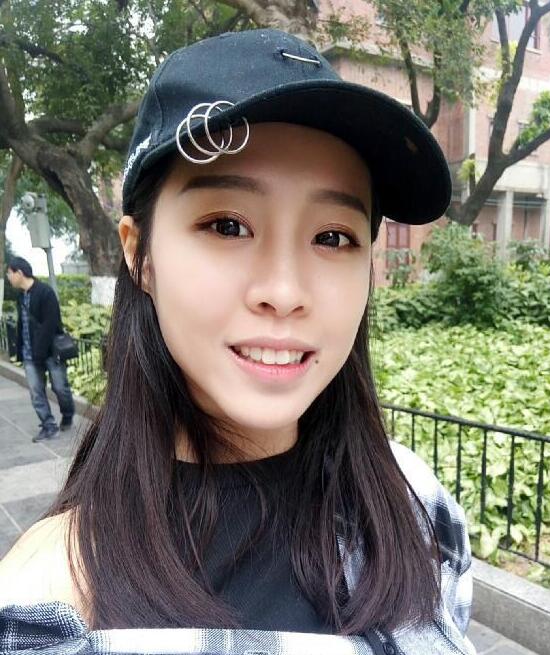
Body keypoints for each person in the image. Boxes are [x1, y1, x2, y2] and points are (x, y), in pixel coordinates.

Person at [0, 29, 475, 655]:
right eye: (227, 225)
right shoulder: (48, 605)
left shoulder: (416, 506)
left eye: (334, 237)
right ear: (139, 254)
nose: (284, 291)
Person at [5, 256, 75, 442]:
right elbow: (22, 325)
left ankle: (68, 414)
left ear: (19, 273)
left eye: (9, 273)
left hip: (51, 353)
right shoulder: (21, 297)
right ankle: (48, 425)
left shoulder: (45, 292)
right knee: (36, 392)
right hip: (30, 355)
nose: (8, 277)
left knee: (60, 388)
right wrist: (20, 351)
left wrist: (40, 351)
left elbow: (50, 324)